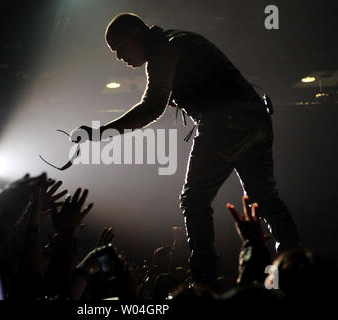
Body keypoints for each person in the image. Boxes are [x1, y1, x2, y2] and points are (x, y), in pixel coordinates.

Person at [71, 13, 300, 284]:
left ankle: (204, 281)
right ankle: (295, 270)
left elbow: (151, 108)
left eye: (120, 47)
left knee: (194, 199)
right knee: (265, 199)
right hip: (256, 121)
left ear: (137, 32)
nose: (120, 56)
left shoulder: (165, 49)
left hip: (225, 124)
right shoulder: (180, 41)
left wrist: (98, 133)